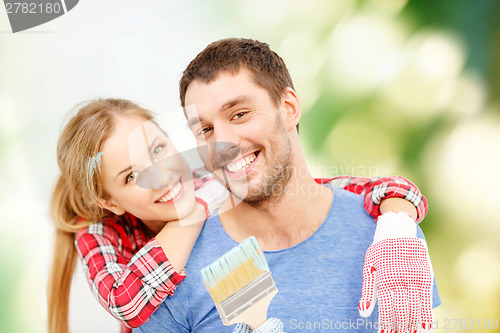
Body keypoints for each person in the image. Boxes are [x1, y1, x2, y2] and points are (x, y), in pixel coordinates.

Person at [136, 38, 440, 333]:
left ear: (289, 107)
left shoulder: (390, 239)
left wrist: (401, 222)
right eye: (205, 129)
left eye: (239, 114)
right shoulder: (177, 271)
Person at [47, 98, 428, 333]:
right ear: (111, 202)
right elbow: (126, 302)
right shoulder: (99, 233)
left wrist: (396, 222)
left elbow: (336, 190)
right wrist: (192, 216)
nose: (161, 175)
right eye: (131, 176)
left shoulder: (207, 176)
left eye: (159, 150)